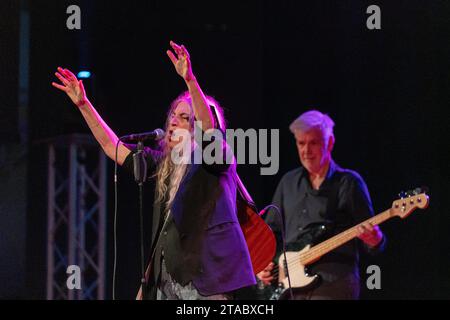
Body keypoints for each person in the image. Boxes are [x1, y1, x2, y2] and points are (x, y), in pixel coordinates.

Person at [52, 41, 256, 300]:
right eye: (173, 114)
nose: (173, 120)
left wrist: (190, 80)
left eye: (184, 117)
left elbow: (209, 127)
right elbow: (111, 146)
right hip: (166, 280)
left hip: (206, 280)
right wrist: (83, 105)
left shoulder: (215, 159)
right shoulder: (166, 165)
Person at [256, 110, 386, 300]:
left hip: (333, 283)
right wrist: (263, 265)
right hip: (288, 284)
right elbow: (271, 232)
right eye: (301, 143)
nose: (306, 151)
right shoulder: (288, 182)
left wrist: (376, 239)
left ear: (330, 143)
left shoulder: (349, 183)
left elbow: (373, 241)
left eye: (313, 143)